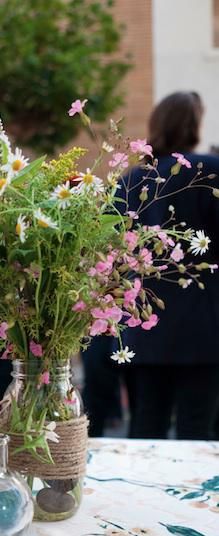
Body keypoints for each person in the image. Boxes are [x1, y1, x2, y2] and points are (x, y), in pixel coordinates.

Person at [118, 91, 219, 440]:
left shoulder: (130, 181)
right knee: (197, 429)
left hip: (144, 324)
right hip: (204, 326)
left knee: (146, 424)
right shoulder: (211, 172)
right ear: (194, 125)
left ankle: (139, 495)